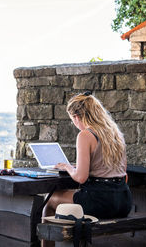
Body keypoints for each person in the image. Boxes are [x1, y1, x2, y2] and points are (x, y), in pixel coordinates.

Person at [43, 91, 132, 221]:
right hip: (124, 200)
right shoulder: (115, 133)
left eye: (72, 120)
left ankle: (44, 241)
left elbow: (81, 177)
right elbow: (124, 173)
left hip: (100, 202)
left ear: (76, 117)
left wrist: (67, 167)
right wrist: (80, 167)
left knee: (49, 199)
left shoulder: (85, 135)